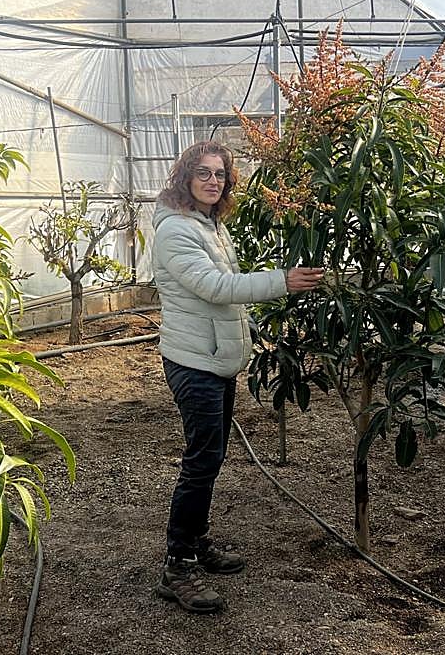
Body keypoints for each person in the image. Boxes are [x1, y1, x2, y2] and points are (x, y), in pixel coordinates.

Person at [151, 140, 324, 614]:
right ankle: (176, 566)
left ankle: (197, 542)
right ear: (185, 176)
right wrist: (280, 281)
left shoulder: (209, 224)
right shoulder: (175, 231)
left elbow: (224, 291)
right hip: (194, 362)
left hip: (215, 358)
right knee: (201, 462)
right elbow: (214, 287)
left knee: (212, 457)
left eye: (221, 174)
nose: (213, 181)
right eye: (203, 173)